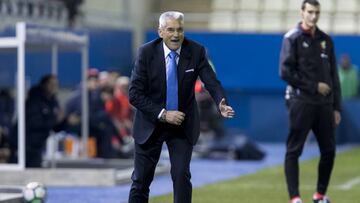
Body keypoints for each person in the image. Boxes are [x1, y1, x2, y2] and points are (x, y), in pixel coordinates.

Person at [128, 11, 235, 203]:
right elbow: (134, 94)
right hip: (150, 122)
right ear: (160, 32)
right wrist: (163, 114)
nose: (176, 35)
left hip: (182, 124)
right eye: (170, 30)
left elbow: (211, 82)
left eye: (180, 30)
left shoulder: (196, 51)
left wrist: (221, 102)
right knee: (141, 181)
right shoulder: (146, 53)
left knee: (181, 177)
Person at [279, 1, 342, 203]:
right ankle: (295, 198)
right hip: (301, 102)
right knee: (294, 150)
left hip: (324, 106)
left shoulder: (326, 40)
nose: (314, 16)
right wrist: (314, 86)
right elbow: (285, 72)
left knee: (329, 151)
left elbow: (334, 76)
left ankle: (320, 195)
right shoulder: (292, 38)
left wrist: (336, 107)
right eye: (310, 12)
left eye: (317, 12)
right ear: (302, 12)